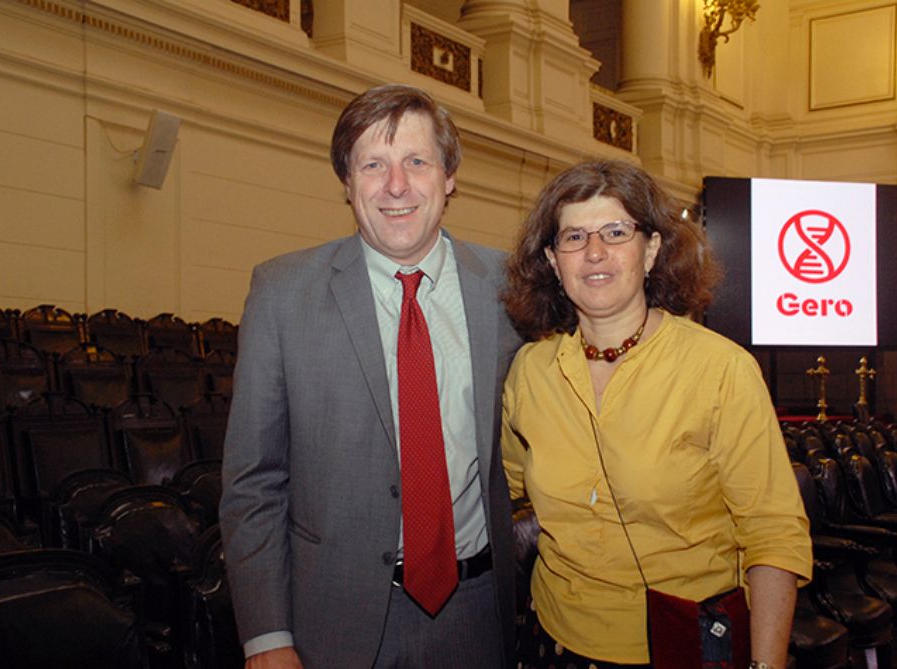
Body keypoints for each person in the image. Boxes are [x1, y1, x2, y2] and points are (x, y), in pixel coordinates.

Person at [219, 84, 522, 669]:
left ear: (449, 176)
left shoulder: (509, 291)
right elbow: (254, 482)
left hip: (477, 614)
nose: (396, 185)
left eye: (417, 161)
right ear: (347, 182)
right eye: (373, 165)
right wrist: (266, 636)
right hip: (333, 622)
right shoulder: (282, 293)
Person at [501, 160, 812, 669]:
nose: (594, 252)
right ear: (553, 261)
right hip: (554, 641)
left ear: (651, 250)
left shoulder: (721, 369)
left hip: (683, 644)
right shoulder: (531, 371)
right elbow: (509, 485)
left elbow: (773, 534)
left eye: (615, 232)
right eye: (574, 237)